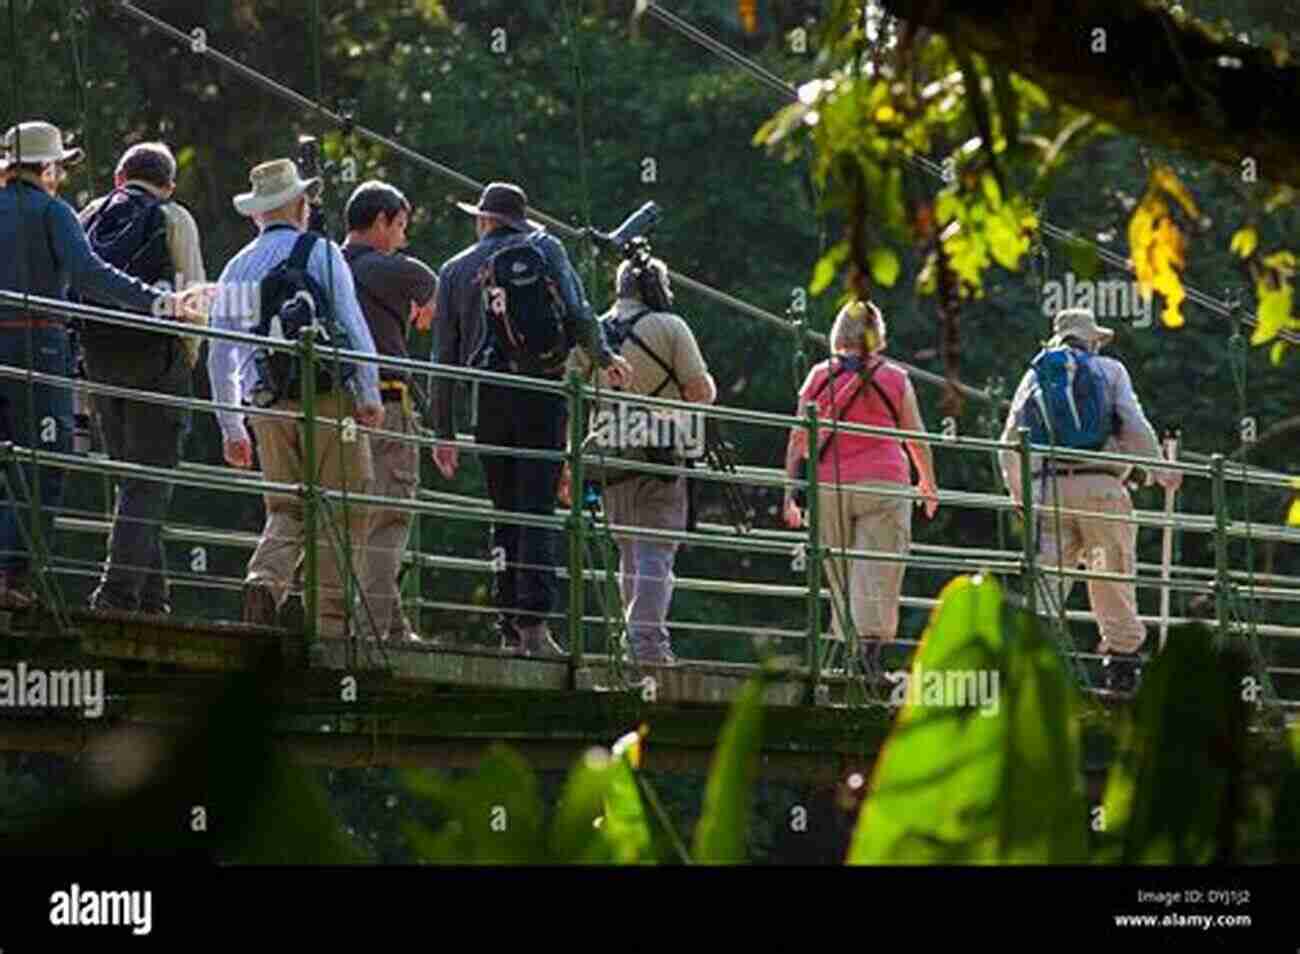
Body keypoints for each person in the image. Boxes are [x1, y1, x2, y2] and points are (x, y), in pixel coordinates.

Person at [430, 181, 631, 656]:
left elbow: (443, 358)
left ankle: (508, 625)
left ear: (483, 220)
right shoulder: (545, 247)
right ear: (519, 219)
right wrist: (603, 357)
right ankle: (536, 625)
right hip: (541, 391)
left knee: (504, 511)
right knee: (537, 507)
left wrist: (443, 431)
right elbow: (580, 311)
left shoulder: (455, 269)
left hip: (490, 400)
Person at [0, 121, 190, 609]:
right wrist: (161, 302)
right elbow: (92, 275)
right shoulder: (53, 212)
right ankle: (12, 577)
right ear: (48, 167)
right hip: (38, 349)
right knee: (44, 462)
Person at [208, 158, 383, 655]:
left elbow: (221, 354)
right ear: (301, 204)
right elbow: (352, 328)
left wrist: (231, 427)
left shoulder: (239, 266)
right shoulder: (323, 252)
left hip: (265, 403)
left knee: (286, 507)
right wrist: (368, 394)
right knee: (342, 505)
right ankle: (328, 625)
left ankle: (265, 582)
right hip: (327, 399)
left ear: (256, 214)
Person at [998, 308, 1181, 694]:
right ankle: (1121, 670)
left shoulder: (1035, 372)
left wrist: (1021, 495)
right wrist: (1160, 469)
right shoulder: (1109, 370)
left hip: (1050, 491)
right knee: (1110, 576)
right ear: (1092, 340)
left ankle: (1031, 670)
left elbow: (1008, 440)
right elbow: (1132, 422)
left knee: (1047, 580)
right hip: (1101, 491)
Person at [564, 252, 716, 667]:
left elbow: (570, 394)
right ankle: (646, 645)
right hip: (660, 451)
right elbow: (700, 391)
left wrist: (567, 461)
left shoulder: (593, 332)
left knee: (629, 550)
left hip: (608, 451)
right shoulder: (670, 327)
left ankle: (634, 640)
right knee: (656, 549)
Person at [78, 141, 207, 615]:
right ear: (168, 185)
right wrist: (187, 359)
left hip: (97, 360)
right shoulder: (175, 217)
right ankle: (116, 596)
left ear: (119, 177)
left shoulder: (90, 213)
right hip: (155, 361)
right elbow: (194, 300)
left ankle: (153, 599)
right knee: (148, 480)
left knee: (130, 480)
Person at [782, 300, 939, 680]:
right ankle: (867, 656)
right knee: (878, 568)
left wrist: (789, 492)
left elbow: (798, 439)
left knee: (838, 570)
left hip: (829, 484)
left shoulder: (819, 376)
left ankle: (846, 651)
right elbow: (915, 437)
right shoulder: (895, 378)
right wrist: (928, 483)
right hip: (884, 483)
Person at [341, 180, 436, 646]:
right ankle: (374, 631)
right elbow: (428, 281)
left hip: (334, 407)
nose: (403, 238)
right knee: (390, 517)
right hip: (385, 403)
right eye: (399, 227)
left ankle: (391, 624)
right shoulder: (382, 266)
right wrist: (428, 305)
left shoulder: (324, 261)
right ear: (378, 222)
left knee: (355, 514)